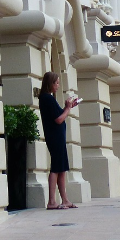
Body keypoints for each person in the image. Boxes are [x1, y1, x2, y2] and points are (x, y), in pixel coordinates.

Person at [39, 70, 80, 210]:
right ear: (50, 83)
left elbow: (58, 115)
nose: (58, 85)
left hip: (57, 137)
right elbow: (59, 119)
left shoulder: (47, 98)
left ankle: (65, 199)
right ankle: (52, 201)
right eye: (56, 83)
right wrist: (68, 108)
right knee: (56, 168)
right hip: (55, 137)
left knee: (61, 168)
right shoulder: (47, 98)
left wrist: (67, 108)